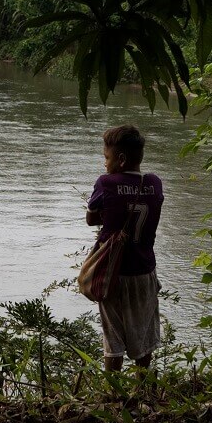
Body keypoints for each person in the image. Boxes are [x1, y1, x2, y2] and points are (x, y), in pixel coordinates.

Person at [85, 123, 164, 372]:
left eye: (106, 158)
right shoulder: (155, 183)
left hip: (113, 273)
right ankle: (143, 390)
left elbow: (91, 218)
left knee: (113, 338)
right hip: (144, 271)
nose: (104, 164)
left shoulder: (106, 183)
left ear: (120, 159)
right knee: (144, 338)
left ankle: (111, 394)